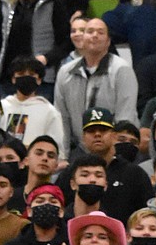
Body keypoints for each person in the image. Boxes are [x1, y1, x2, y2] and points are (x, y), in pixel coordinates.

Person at [55, 14, 138, 149]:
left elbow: (125, 117)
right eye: (89, 31)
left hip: (112, 148)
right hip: (80, 148)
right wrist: (63, 155)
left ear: (108, 41)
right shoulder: (65, 72)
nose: (95, 35)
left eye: (100, 32)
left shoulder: (122, 70)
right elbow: (61, 117)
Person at [0, 57, 66, 154]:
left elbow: (56, 145)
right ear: (13, 79)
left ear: (39, 80)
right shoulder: (2, 107)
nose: (26, 78)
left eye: (31, 75)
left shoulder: (49, 111)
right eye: (21, 74)